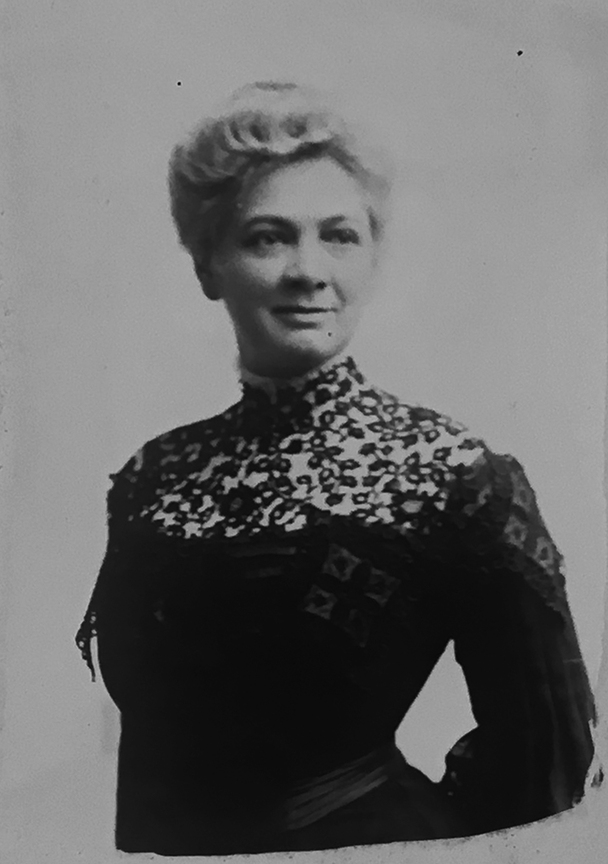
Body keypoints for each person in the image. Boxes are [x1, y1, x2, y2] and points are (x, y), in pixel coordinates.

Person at [76, 81, 597, 856]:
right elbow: (148, 756)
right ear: (209, 263)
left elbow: (548, 751)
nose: (308, 271)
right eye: (268, 238)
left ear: (373, 260)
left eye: (340, 236)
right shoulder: (154, 478)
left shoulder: (448, 475)